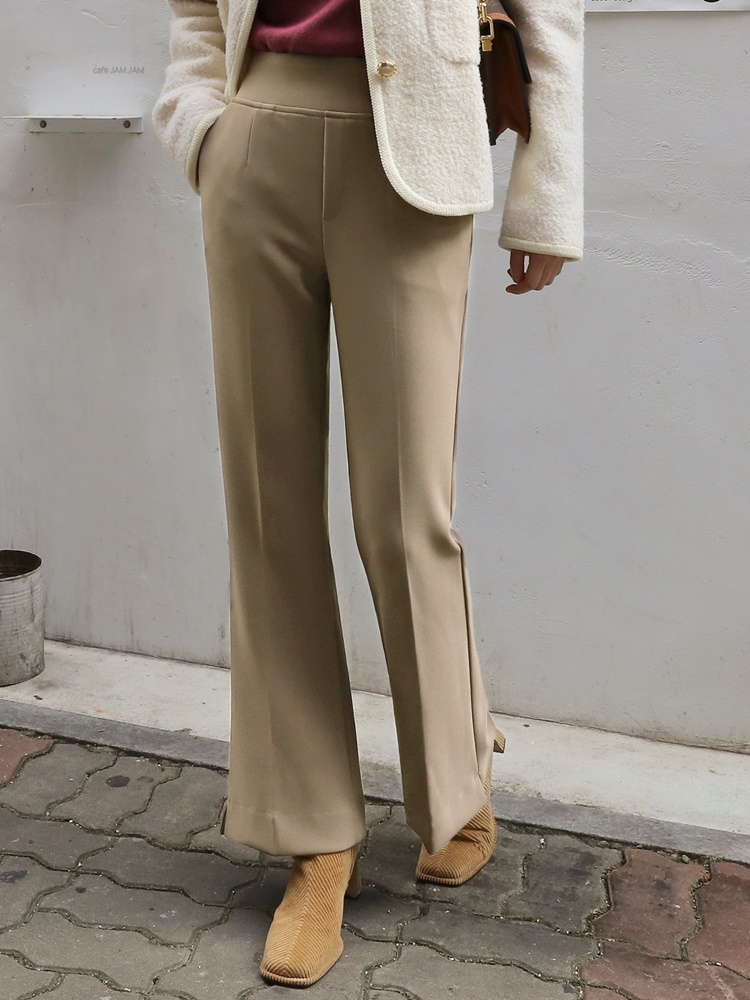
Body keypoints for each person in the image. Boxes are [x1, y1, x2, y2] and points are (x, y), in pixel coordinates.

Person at [153, 0, 584, 987]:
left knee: (403, 512)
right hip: (256, 135)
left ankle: (457, 779)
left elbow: (551, 15)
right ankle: (314, 839)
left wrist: (546, 196)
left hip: (416, 150)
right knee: (268, 508)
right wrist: (202, 122)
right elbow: (192, 9)